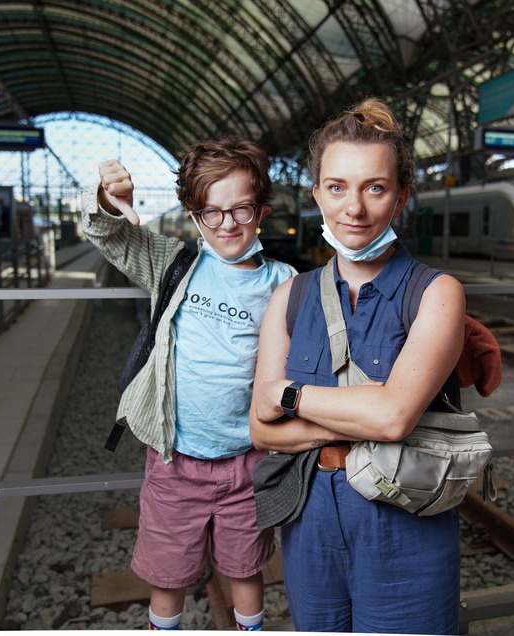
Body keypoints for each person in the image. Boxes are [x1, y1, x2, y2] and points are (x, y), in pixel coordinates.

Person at [249, 97, 467, 634]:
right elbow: (258, 427)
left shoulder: (436, 294)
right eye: (337, 187)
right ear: (318, 193)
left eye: (375, 187)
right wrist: (363, 411)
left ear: (400, 199)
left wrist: (290, 397)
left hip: (406, 520)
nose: (355, 208)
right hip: (310, 517)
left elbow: (392, 419)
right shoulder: (291, 297)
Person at [80, 139, 296, 631]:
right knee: (168, 574)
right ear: (194, 214)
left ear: (260, 210)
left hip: (248, 462)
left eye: (241, 209)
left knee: (247, 568)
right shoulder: (174, 264)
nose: (227, 224)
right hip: (175, 461)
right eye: (212, 211)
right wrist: (107, 199)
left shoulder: (282, 281)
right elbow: (110, 237)